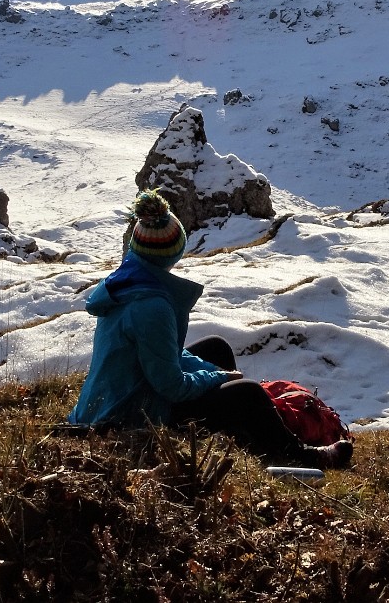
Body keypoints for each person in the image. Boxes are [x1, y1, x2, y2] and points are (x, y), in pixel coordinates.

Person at [68, 189, 353, 469]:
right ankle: (299, 455)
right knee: (247, 393)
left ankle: (246, 433)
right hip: (131, 414)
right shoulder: (150, 306)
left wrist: (212, 372)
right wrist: (214, 377)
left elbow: (164, 355)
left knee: (216, 348)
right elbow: (172, 386)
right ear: (173, 252)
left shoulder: (127, 283)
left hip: (119, 397)